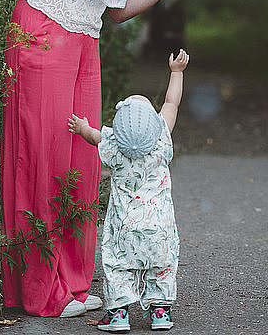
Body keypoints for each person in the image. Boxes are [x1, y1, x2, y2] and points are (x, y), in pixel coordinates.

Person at [1, 0, 204, 318]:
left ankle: (71, 285)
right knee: (42, 154)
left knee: (82, 160)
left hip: (84, 39)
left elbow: (118, 9)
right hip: (43, 27)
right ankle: (38, 291)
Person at [68, 49, 189, 332]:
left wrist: (81, 127)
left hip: (124, 227)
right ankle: (160, 312)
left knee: (119, 267)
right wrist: (177, 72)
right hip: (159, 227)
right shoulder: (162, 142)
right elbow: (172, 102)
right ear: (154, 123)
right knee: (161, 265)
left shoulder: (113, 146)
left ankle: (119, 314)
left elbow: (93, 135)